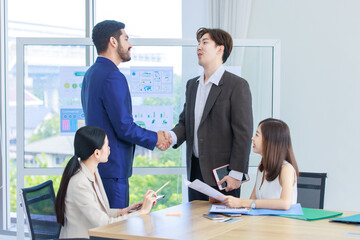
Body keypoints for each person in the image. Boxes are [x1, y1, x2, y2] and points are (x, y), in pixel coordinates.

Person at [81, 20, 171, 209]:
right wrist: (155, 138)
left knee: (102, 226)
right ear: (113, 42)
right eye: (126, 38)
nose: (130, 45)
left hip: (99, 167)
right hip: (113, 169)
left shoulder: (91, 73)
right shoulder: (113, 76)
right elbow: (124, 127)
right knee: (115, 230)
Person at [167, 27, 253, 201]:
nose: (199, 47)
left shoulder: (237, 85)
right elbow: (185, 123)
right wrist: (170, 136)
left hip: (224, 175)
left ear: (220, 49)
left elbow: (243, 133)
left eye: (205, 42)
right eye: (198, 43)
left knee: (223, 225)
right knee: (195, 225)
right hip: (196, 172)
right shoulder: (192, 85)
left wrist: (237, 173)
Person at [55, 126, 158, 239]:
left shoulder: (93, 171)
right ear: (97, 153)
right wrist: (142, 212)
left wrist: (123, 211)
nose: (109, 149)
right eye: (107, 145)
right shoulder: (79, 183)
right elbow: (104, 223)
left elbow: (99, 211)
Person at [219, 118, 299, 210]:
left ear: (270, 140)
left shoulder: (286, 169)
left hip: (280, 223)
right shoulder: (262, 166)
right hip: (263, 222)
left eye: (257, 135)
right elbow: (252, 200)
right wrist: (224, 201)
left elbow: (285, 203)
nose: (252, 138)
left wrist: (242, 202)